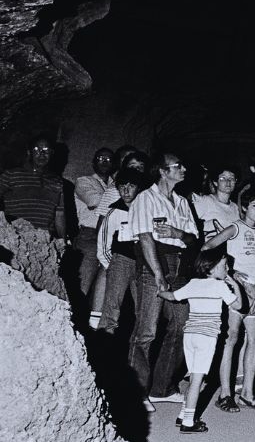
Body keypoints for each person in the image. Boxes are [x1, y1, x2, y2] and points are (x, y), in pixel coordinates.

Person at [129, 153, 201, 412]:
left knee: (182, 324)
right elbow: (145, 237)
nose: (183, 168)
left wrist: (177, 233)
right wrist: (157, 273)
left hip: (180, 267)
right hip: (154, 264)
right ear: (162, 171)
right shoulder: (144, 199)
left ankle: (162, 387)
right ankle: (136, 391)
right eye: (178, 165)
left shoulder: (182, 201)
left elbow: (194, 238)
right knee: (146, 330)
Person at [157, 248, 240, 433]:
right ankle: (188, 423)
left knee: (194, 376)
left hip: (191, 335)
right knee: (198, 380)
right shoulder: (220, 286)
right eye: (225, 265)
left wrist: (160, 292)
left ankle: (183, 414)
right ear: (211, 267)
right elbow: (239, 305)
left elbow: (171, 296)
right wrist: (234, 284)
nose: (228, 269)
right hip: (206, 337)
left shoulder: (193, 283)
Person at [203, 187, 255, 412]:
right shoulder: (235, 227)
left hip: (254, 290)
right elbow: (208, 247)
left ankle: (248, 394)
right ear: (244, 207)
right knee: (231, 339)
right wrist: (228, 274)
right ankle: (225, 394)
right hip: (237, 289)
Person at [95, 168, 146, 334]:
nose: (126, 190)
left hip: (143, 264)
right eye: (122, 186)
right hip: (120, 261)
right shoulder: (114, 211)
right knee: (112, 307)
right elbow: (103, 243)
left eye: (131, 186)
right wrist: (112, 265)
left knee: (142, 308)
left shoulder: (146, 211)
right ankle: (105, 342)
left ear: (138, 188)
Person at [73, 147, 115, 327]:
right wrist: (120, 195)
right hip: (89, 237)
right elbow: (94, 202)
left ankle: (94, 329)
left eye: (108, 159)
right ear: (93, 162)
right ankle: (72, 323)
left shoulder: (115, 184)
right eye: (100, 158)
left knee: (104, 292)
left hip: (112, 237)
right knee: (82, 286)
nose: (104, 162)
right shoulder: (84, 181)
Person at [0, 134, 66, 237]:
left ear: (52, 153)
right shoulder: (11, 175)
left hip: (45, 241)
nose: (42, 154)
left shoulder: (57, 181)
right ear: (29, 152)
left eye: (46, 150)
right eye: (37, 149)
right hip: (16, 238)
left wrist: (63, 240)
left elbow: (60, 215)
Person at [191, 167, 240, 233]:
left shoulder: (235, 207)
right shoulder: (205, 201)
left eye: (231, 178)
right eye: (223, 178)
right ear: (215, 182)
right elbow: (190, 224)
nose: (228, 182)